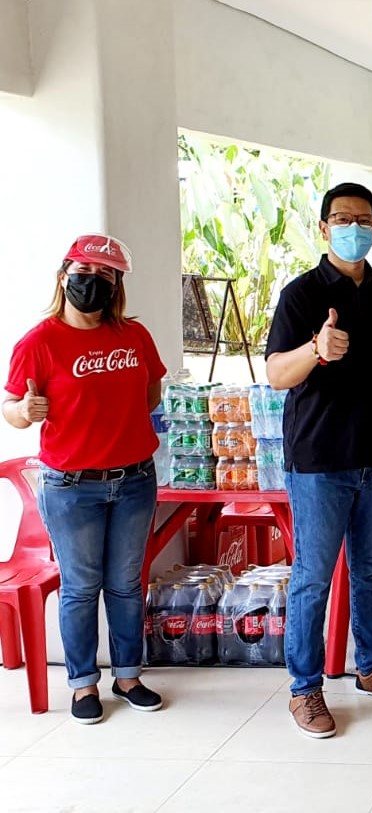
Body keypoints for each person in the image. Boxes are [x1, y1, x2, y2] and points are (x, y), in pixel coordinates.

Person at [265, 182, 372, 739]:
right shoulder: (301, 294)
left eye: (363, 219)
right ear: (323, 227)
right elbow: (275, 374)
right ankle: (304, 689)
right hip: (319, 461)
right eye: (342, 218)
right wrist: (315, 350)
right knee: (313, 577)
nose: (353, 227)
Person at [3, 234, 166, 724]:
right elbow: (11, 409)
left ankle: (129, 676)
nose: (93, 283)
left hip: (135, 479)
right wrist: (23, 411)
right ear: (64, 275)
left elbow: (151, 392)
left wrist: (116, 426)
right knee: (80, 586)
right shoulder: (38, 343)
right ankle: (82, 685)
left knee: (124, 584)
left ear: (117, 286)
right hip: (71, 487)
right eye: (84, 273)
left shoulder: (133, 337)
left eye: (106, 276)